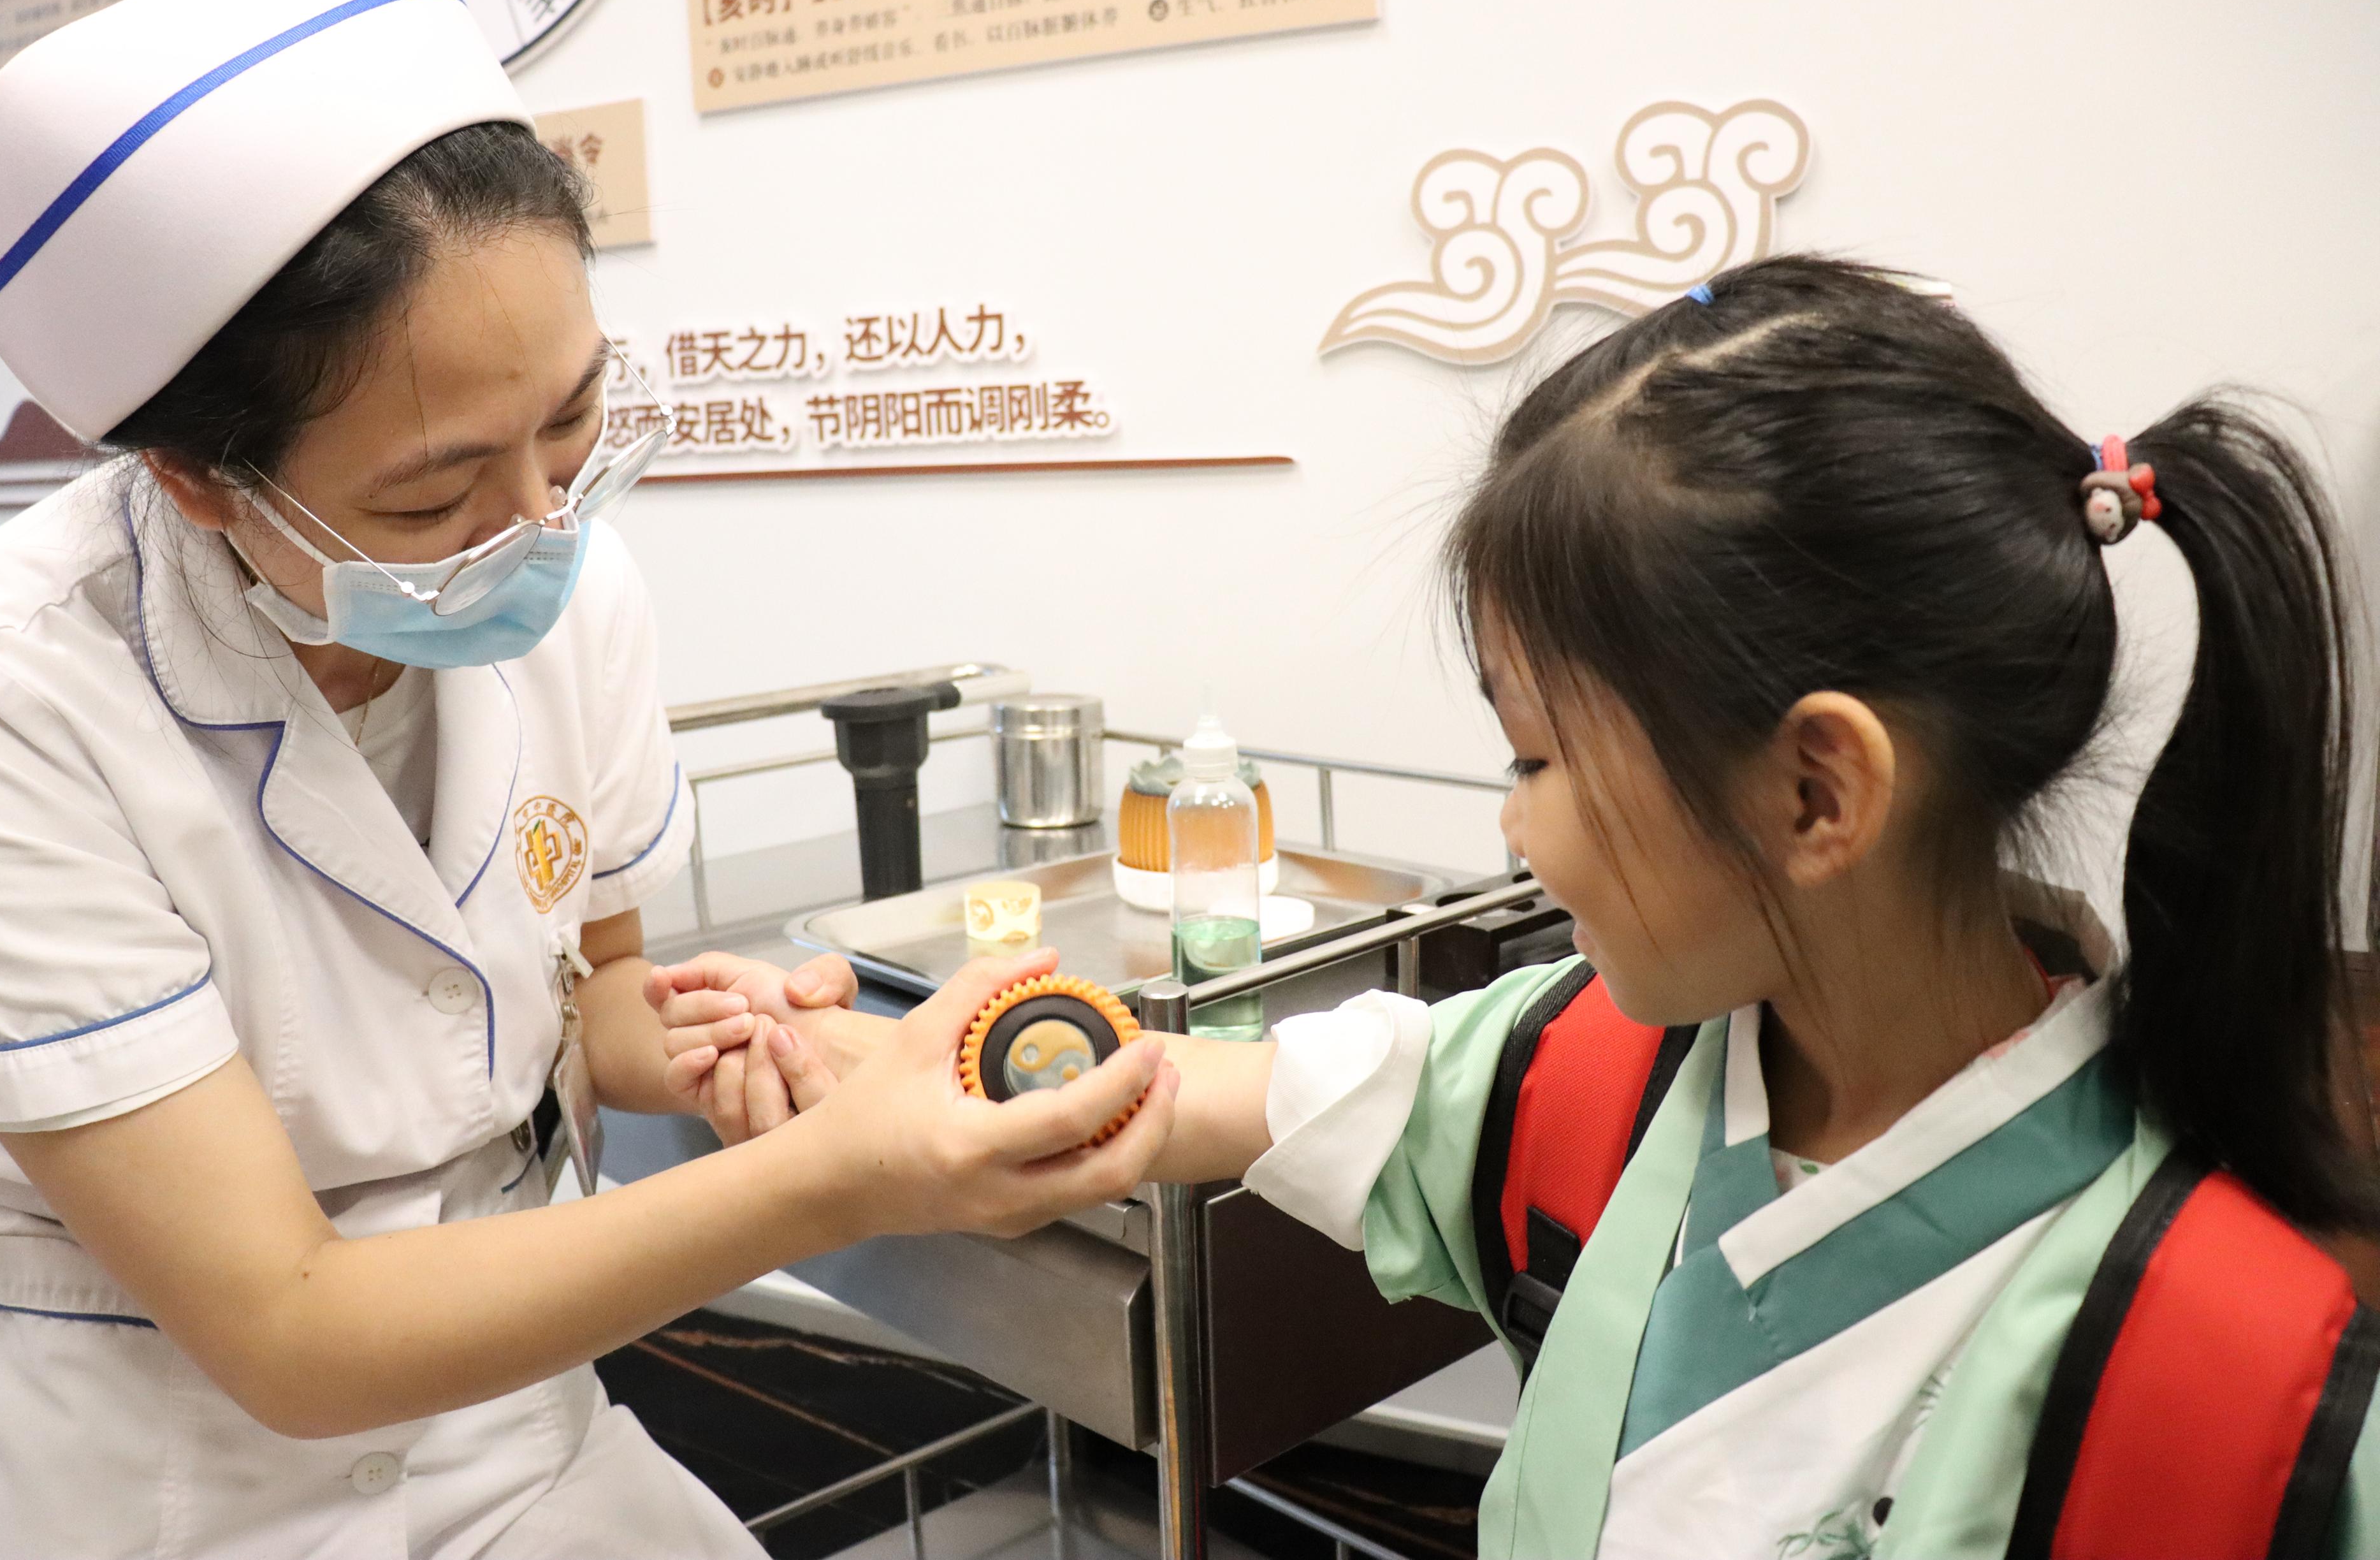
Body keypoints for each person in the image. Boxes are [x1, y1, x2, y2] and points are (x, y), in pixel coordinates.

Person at [0, 0, 1173, 1559]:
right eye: (433, 491)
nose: (541, 524)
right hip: (129, 1479)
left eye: (575, 418)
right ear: (195, 478)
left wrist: (699, 1035)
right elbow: (291, 1329)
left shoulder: (567, 585)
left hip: (505, 1431)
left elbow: (584, 990)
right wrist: (842, 1175)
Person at [693, 256, 2380, 1557]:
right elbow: (1166, 1088)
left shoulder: (2218, 1386)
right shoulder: (1580, 1074)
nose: (1517, 829)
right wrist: (872, 1060)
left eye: (1539, 757)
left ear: (1817, 793)